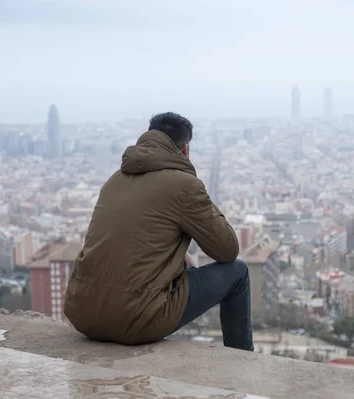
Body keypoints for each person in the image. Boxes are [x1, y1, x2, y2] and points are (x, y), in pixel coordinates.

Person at [64, 112, 253, 351]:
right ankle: (242, 361)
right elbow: (228, 250)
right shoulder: (185, 186)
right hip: (135, 320)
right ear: (185, 151)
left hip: (84, 314)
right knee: (238, 272)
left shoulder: (113, 181)